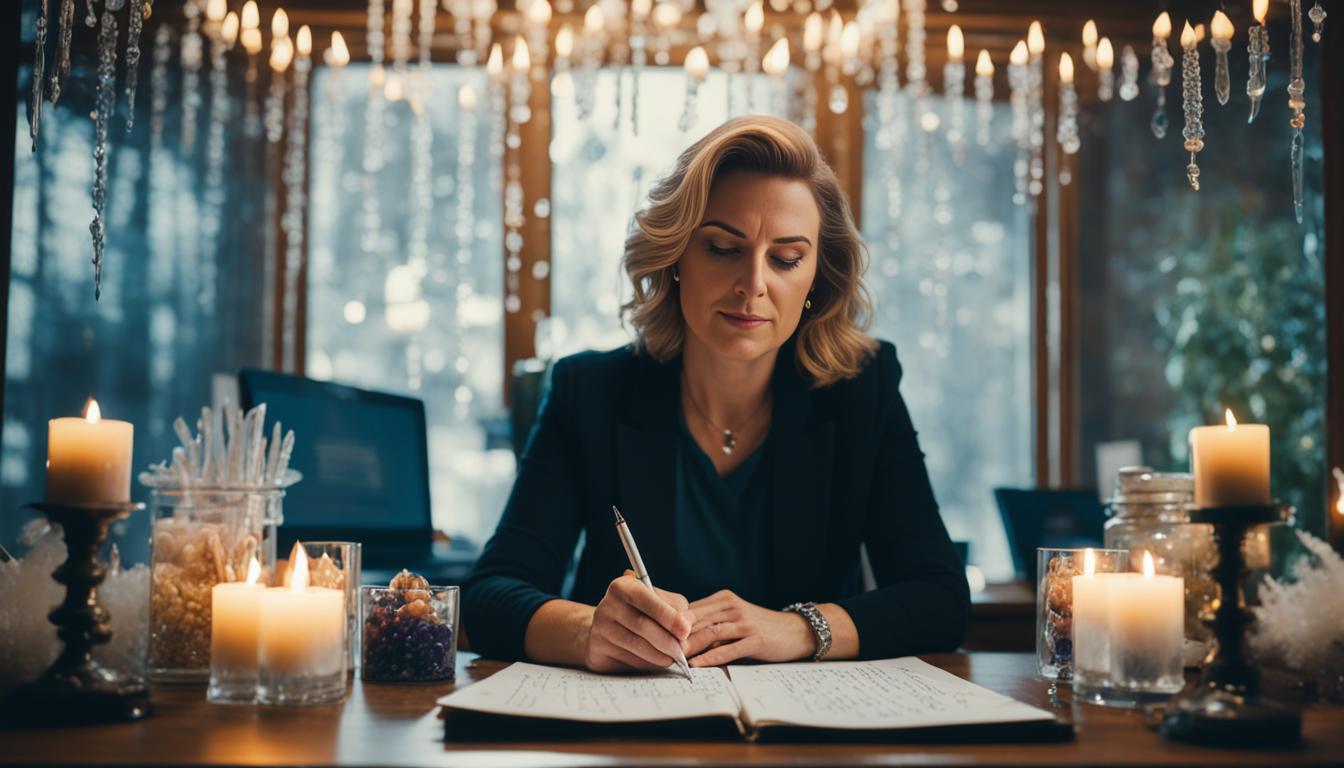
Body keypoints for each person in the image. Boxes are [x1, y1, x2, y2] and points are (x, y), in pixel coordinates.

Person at [463, 116, 969, 672]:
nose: (753, 283)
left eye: (786, 259)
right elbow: (491, 596)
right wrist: (588, 631)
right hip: (628, 733)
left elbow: (940, 599)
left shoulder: (861, 391)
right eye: (725, 248)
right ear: (676, 256)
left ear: (815, 282)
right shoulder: (590, 391)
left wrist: (799, 628)